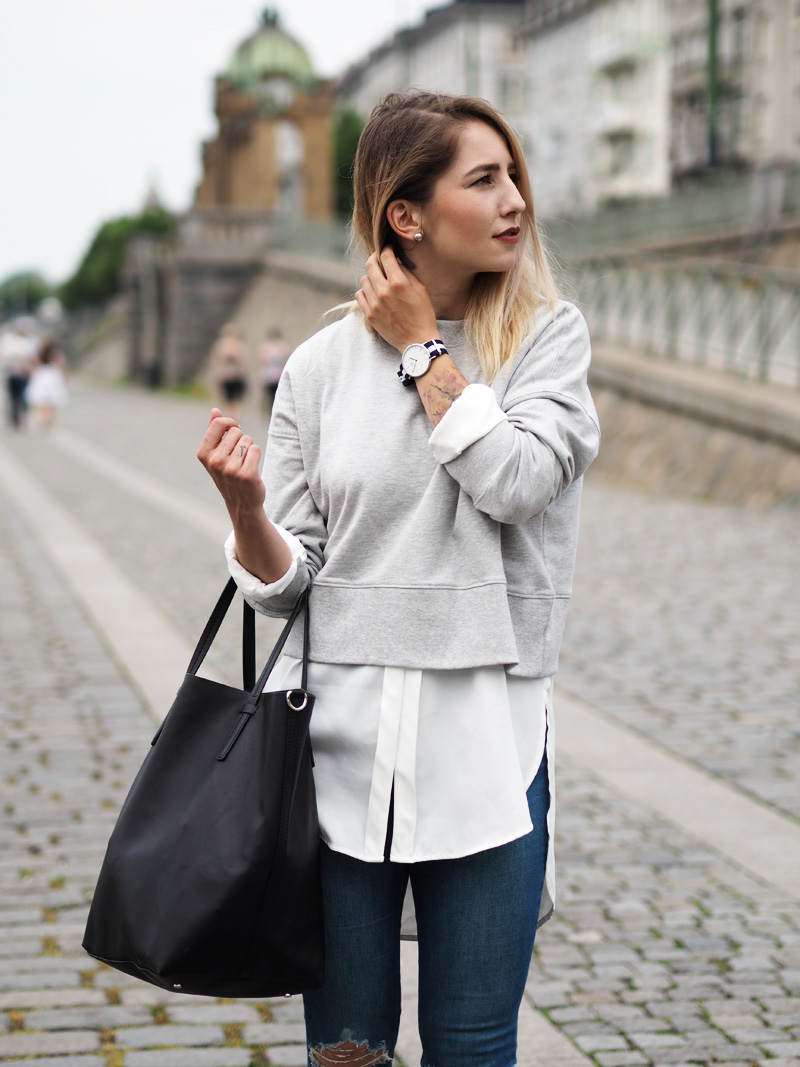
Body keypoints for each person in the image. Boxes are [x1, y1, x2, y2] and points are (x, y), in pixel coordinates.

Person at [198, 90, 600, 1067]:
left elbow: (514, 482)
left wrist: (424, 349)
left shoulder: (545, 339)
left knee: (471, 1042)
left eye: (513, 175)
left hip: (490, 738)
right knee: (347, 1048)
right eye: (484, 179)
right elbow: (291, 582)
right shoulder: (318, 366)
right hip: (336, 750)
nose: (515, 199)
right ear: (405, 214)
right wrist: (247, 514)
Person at [25, 337, 68, 430]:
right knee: (51, 401)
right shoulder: (57, 354)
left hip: (43, 375)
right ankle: (49, 420)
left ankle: (45, 419)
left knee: (43, 400)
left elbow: (33, 364)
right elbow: (62, 365)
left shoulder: (41, 353)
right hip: (51, 376)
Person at [211, 322, 248, 419]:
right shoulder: (221, 345)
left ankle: (233, 415)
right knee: (227, 397)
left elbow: (243, 360)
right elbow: (217, 359)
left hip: (235, 374)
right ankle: (229, 414)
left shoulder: (239, 345)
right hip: (226, 374)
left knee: (235, 397)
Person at [257, 327, 292, 415]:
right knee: (273, 397)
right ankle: (273, 413)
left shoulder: (269, 347)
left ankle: (273, 413)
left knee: (273, 397)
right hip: (274, 376)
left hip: (274, 376)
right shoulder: (280, 346)